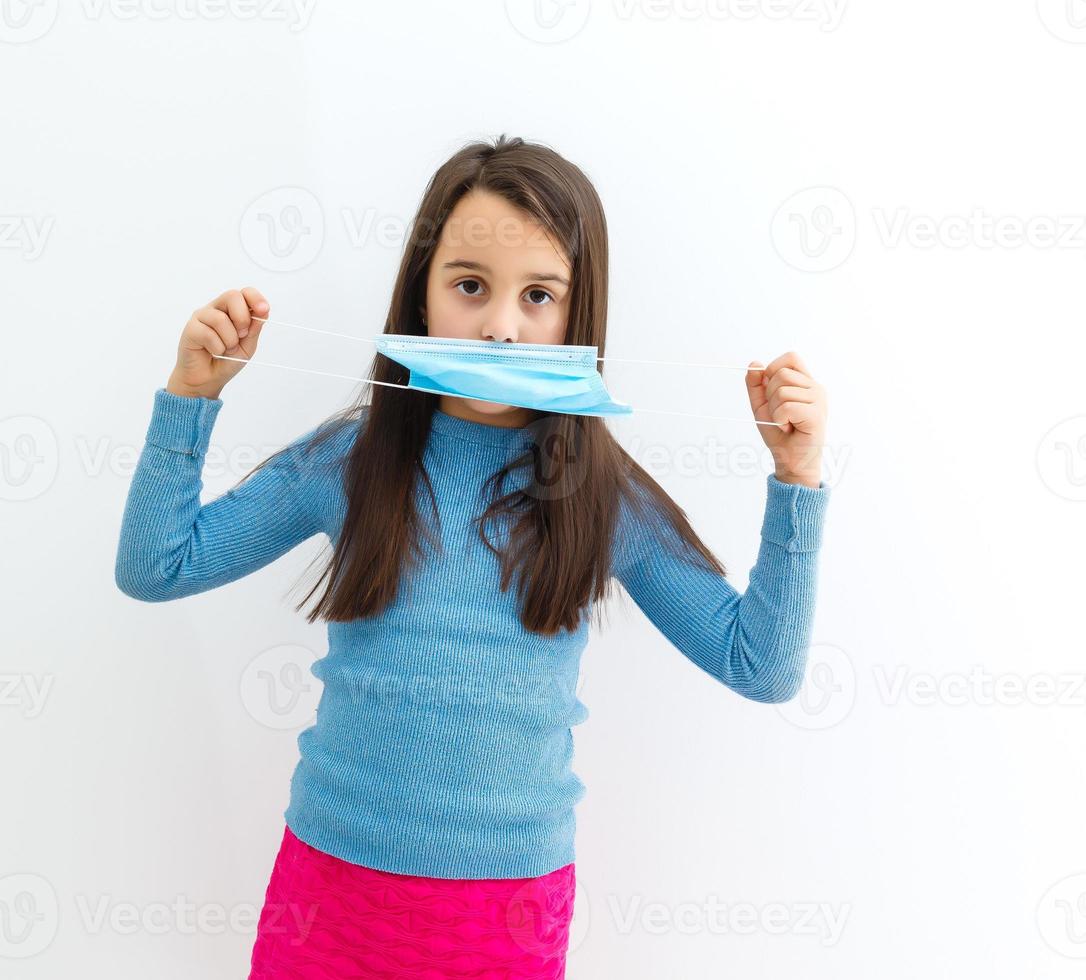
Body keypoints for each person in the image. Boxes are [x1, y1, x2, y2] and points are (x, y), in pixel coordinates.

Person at [116, 135, 831, 979]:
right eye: (469, 286)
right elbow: (156, 567)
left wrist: (797, 480)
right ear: (420, 297)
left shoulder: (607, 498)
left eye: (539, 296)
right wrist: (190, 397)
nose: (499, 326)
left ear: (580, 314)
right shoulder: (347, 464)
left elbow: (763, 667)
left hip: (507, 915)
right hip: (330, 893)